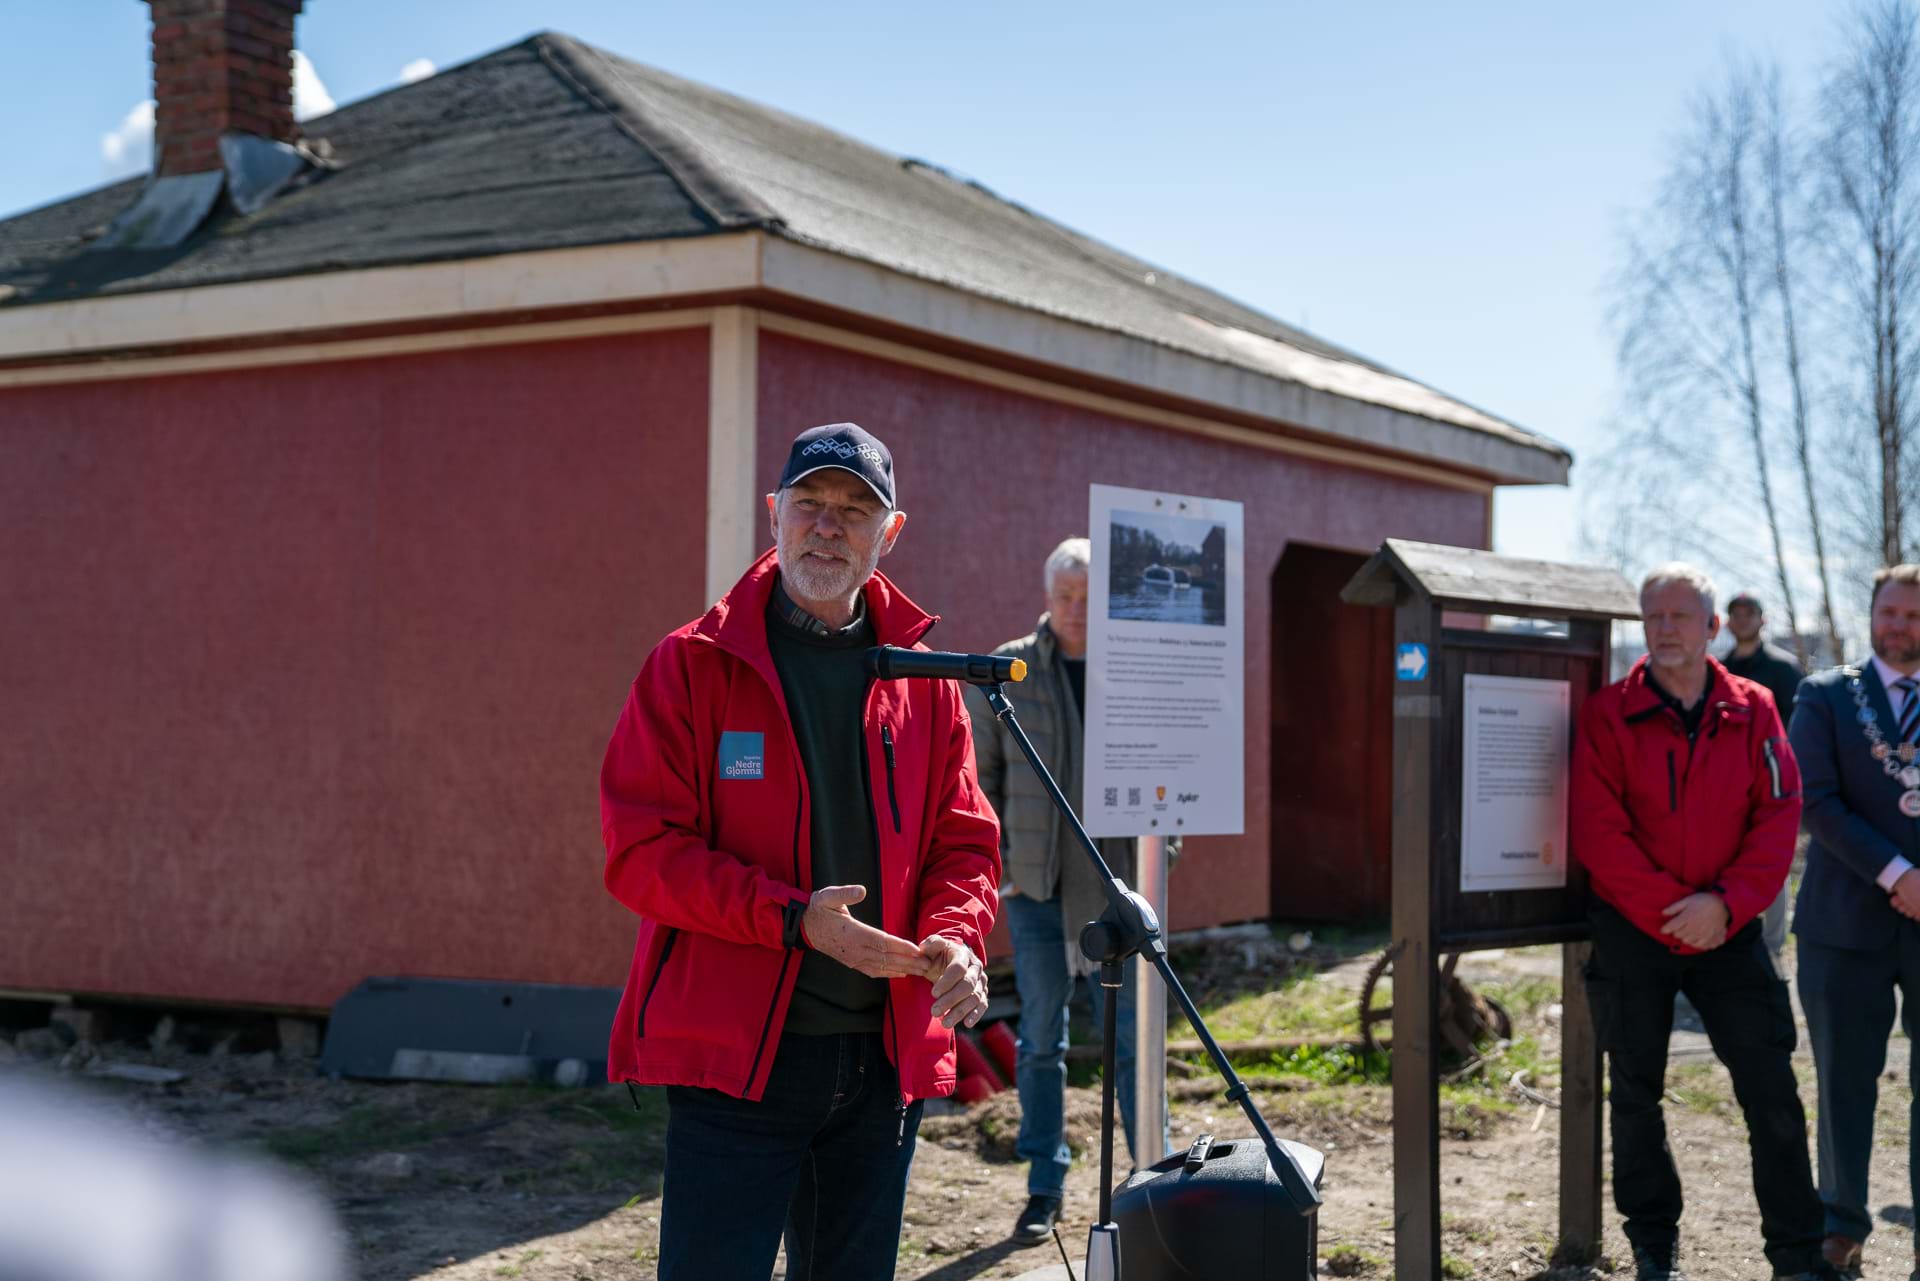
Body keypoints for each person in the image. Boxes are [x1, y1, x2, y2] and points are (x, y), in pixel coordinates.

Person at [599, 422, 1001, 1281]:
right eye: (811, 503)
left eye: (855, 510)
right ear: (774, 513)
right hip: (736, 1066)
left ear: (889, 535)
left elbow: (963, 843)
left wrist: (956, 938)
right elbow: (640, 851)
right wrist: (793, 920)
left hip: (881, 1061)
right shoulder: (691, 666)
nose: (828, 526)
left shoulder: (924, 683)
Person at [1571, 563, 1831, 1281]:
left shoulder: (1755, 708)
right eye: (1653, 616)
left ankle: (1797, 1255)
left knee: (1771, 1090)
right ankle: (1654, 1248)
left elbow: (1779, 816)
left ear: (1713, 626)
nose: (1665, 628)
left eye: (1680, 616)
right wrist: (1669, 912)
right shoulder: (1607, 712)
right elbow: (1598, 832)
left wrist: (1725, 903)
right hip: (1633, 931)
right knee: (1635, 1095)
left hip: (1729, 928)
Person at [965, 537, 1164, 1243]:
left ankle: (1151, 1178)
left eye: (1088, 596)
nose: (1077, 610)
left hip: (1117, 888)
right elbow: (976, 780)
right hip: (1037, 886)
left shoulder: (1134, 670)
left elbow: (1167, 765)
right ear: (1048, 597)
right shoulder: (1008, 667)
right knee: (1041, 1036)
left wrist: (1159, 855)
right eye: (1065, 595)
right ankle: (1044, 1182)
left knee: (1133, 1039)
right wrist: (1008, 866)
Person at [1789, 563, 1920, 1279]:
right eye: (1889, 611)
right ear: (1871, 613)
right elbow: (1814, 798)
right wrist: (1901, 876)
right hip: (1845, 925)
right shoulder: (1827, 695)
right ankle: (1841, 1223)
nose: (1898, 625)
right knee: (1844, 1079)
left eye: (1912, 615)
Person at [1723, 591, 1808, 960]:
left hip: (1774, 787)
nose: (1742, 619)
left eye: (1749, 613)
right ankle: (1729, 942)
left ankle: (1772, 950)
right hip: (1727, 789)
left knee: (1773, 862)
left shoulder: (1783, 669)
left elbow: (1803, 728)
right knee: (1727, 862)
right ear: (1727, 621)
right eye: (1736, 613)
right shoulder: (1720, 669)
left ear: (1763, 619)